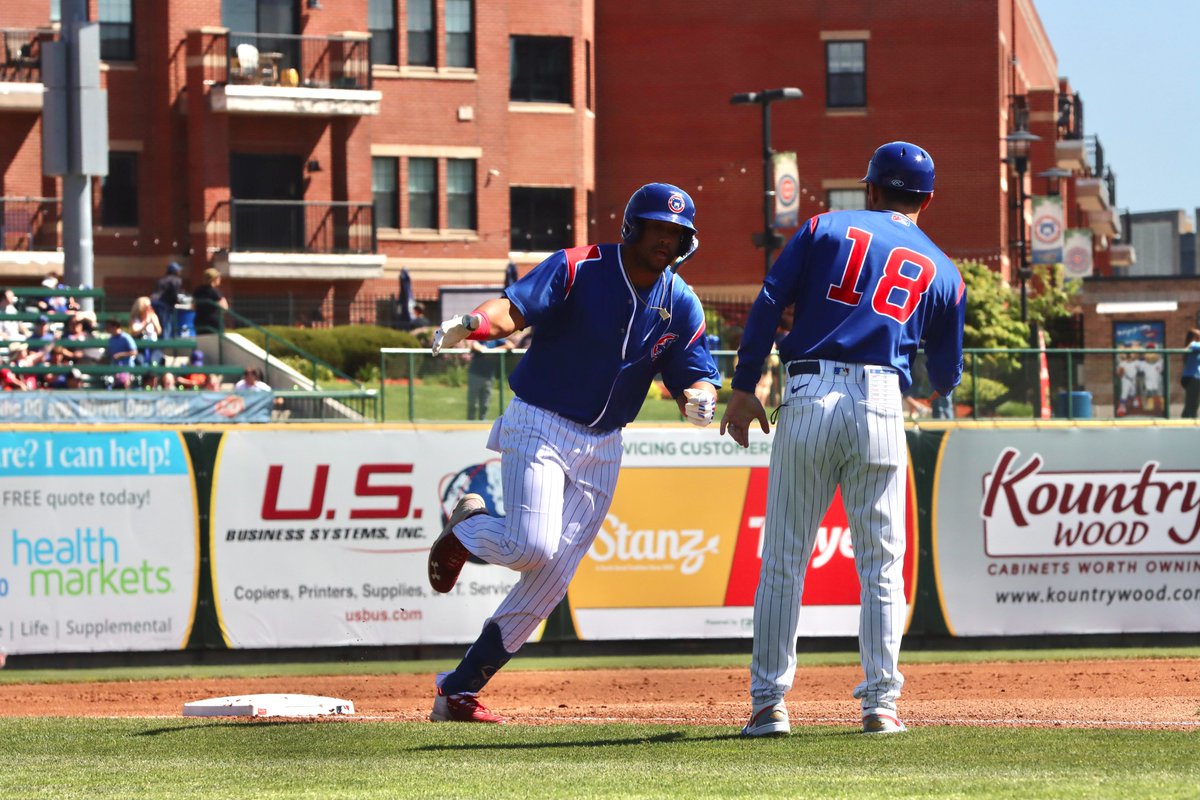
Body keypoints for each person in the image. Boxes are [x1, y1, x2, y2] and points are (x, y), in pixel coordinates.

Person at [425, 182, 721, 723]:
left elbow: (695, 375)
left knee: (551, 578)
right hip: (541, 420)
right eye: (658, 227)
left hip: (605, 443)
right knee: (531, 544)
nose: (666, 240)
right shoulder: (580, 265)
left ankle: (458, 690)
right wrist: (475, 325)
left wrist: (700, 399)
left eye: (677, 233)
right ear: (633, 227)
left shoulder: (680, 300)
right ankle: (466, 529)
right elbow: (515, 308)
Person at [721, 142, 965, 737]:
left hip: (808, 390)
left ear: (872, 190)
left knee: (784, 558)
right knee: (881, 565)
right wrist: (916, 382)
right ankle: (881, 704)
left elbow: (769, 302)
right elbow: (948, 372)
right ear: (927, 200)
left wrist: (745, 382)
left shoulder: (824, 227)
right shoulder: (946, 271)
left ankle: (768, 705)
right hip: (881, 398)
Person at [465, 336, 514, 420]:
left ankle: (482, 420)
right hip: (475, 374)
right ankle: (470, 421)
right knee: (472, 402)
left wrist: (493, 350)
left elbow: (510, 345)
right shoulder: (479, 338)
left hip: (489, 376)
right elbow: (476, 346)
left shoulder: (496, 339)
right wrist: (486, 350)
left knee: (485, 402)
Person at [102, 317, 139, 389]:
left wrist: (121, 355)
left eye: (109, 327)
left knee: (125, 386)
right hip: (115, 370)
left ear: (115, 326)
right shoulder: (111, 339)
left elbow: (134, 352)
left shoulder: (126, 337)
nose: (107, 329)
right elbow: (108, 354)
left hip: (126, 369)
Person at [150, 262, 184, 339]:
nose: (180, 272)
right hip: (164, 305)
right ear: (175, 271)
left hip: (153, 303)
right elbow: (174, 293)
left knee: (156, 327)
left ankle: (156, 347)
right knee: (166, 327)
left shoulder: (162, 279)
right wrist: (177, 301)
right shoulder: (176, 280)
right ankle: (165, 348)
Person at [192, 268, 229, 334]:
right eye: (219, 277)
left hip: (200, 323)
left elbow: (193, 307)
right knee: (215, 344)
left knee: (203, 344)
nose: (220, 279)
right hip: (214, 324)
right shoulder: (215, 292)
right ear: (214, 279)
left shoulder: (198, 290)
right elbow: (225, 307)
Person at [1181, 329, 1200, 418]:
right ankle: (1188, 418)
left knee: (1193, 402)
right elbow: (1190, 346)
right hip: (1193, 377)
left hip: (1194, 377)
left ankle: (1190, 417)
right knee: (1192, 402)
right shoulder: (1193, 345)